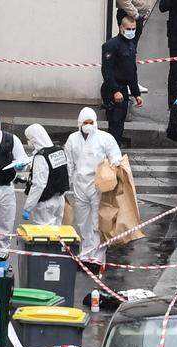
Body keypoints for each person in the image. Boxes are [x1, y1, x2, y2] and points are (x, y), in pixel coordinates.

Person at [65, 107, 123, 269]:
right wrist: (66, 183)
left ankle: (97, 258)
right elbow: (69, 163)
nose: (88, 125)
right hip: (79, 185)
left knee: (97, 223)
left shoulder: (105, 138)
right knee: (83, 222)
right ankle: (85, 255)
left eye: (91, 122)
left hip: (98, 185)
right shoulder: (72, 140)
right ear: (79, 123)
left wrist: (114, 164)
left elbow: (115, 156)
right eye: (85, 122)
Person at [101, 16, 144, 145]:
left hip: (123, 88)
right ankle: (112, 152)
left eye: (134, 29)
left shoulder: (130, 44)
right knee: (115, 123)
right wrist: (115, 90)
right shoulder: (111, 45)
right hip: (112, 89)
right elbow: (106, 71)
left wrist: (137, 94)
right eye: (128, 29)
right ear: (121, 28)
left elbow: (131, 71)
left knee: (119, 123)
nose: (131, 31)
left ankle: (115, 148)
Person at [0, 113, 27, 249]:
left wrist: (20, 166)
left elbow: (22, 158)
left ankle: (2, 254)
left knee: (5, 224)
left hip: (6, 187)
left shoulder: (11, 140)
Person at [22, 124, 70, 226]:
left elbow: (39, 185)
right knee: (57, 234)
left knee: (44, 235)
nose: (29, 142)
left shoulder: (41, 157)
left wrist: (28, 208)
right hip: (60, 200)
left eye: (29, 139)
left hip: (46, 203)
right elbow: (64, 173)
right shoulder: (59, 150)